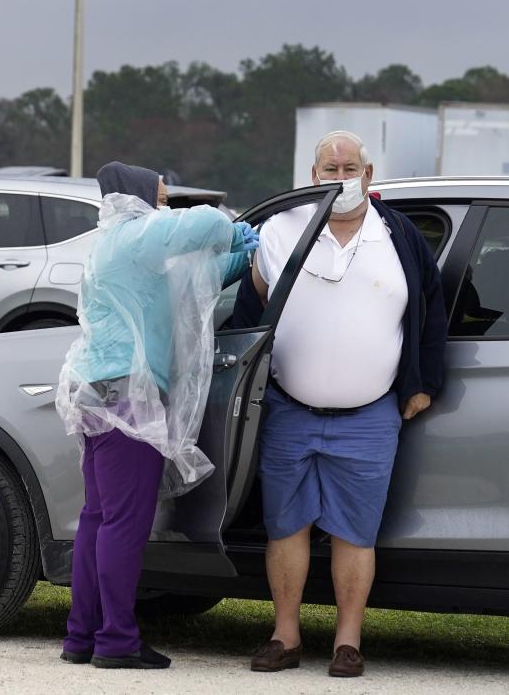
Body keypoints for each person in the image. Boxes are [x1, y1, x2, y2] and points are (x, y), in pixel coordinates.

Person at [241, 131, 446, 678]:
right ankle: (284, 636)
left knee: (357, 532)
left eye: (349, 168)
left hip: (371, 414)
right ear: (312, 176)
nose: (339, 179)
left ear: (369, 174)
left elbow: (431, 310)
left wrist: (423, 383)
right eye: (329, 170)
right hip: (289, 409)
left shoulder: (398, 234)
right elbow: (250, 306)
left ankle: (347, 644)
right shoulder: (280, 230)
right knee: (286, 527)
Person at [55, 162, 255, 670]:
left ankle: (82, 636)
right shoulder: (136, 235)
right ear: (139, 197)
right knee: (124, 524)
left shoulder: (117, 247)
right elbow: (208, 223)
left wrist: (244, 256)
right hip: (127, 396)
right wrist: (240, 229)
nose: (166, 206)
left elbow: (193, 281)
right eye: (162, 197)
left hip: (98, 393)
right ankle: (117, 641)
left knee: (98, 518)